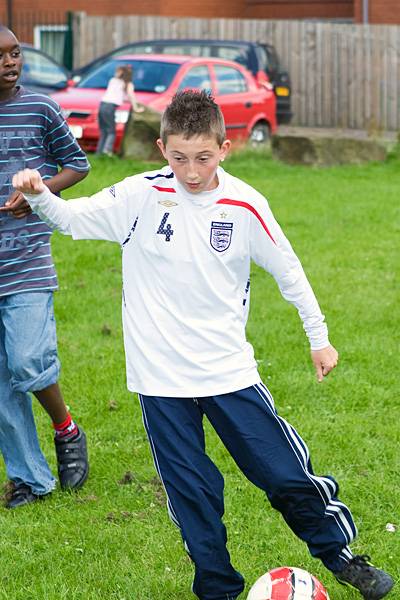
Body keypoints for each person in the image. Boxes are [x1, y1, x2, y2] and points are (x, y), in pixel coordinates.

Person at [13, 90, 393, 600]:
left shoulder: (244, 203)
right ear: (160, 147)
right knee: (192, 495)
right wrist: (39, 193)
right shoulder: (138, 196)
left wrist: (318, 338)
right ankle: (218, 589)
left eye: (203, 158)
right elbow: (72, 218)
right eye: (178, 157)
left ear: (225, 147)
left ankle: (343, 559)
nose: (191, 172)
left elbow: (289, 271)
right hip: (160, 381)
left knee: (285, 476)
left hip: (228, 372)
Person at [0, 26, 90, 509]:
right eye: (0, 56)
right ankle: (30, 479)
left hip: (27, 258)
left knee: (27, 361)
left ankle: (66, 429)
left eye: (15, 53)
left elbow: (78, 164)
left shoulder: (41, 109)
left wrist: (38, 194)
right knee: (0, 387)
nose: (10, 62)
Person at [96, 64, 144, 156]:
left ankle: (99, 152)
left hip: (102, 105)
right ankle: (107, 152)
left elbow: (118, 96)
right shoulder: (127, 84)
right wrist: (136, 108)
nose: (115, 73)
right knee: (111, 131)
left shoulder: (113, 81)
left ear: (121, 73)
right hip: (110, 107)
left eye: (117, 71)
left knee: (103, 131)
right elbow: (131, 96)